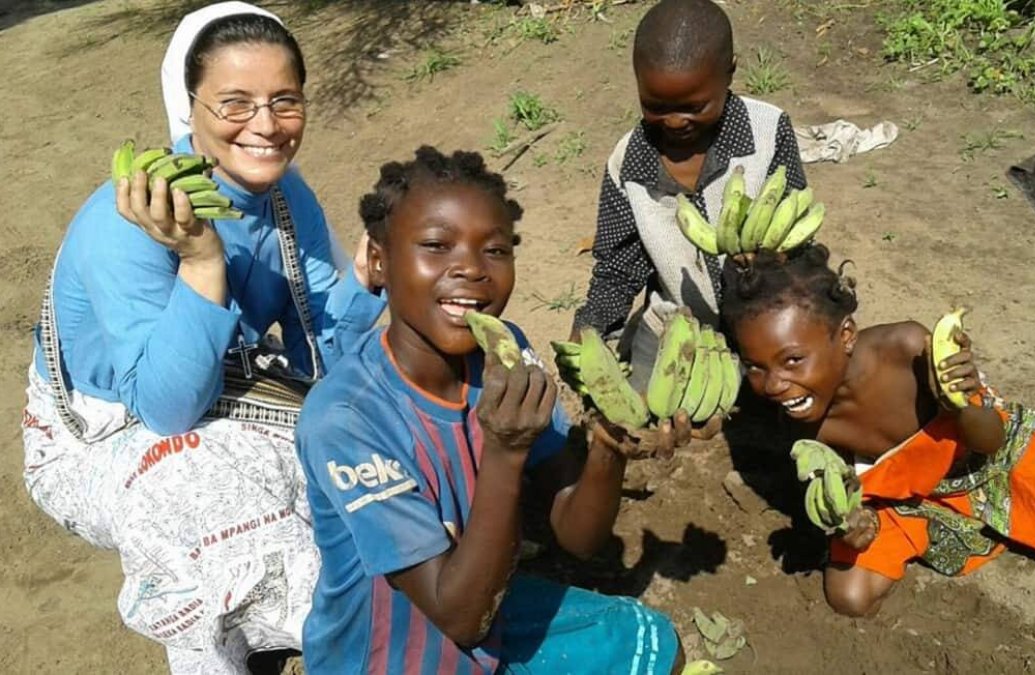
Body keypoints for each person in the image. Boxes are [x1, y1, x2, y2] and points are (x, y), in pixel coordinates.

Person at [20, 3, 386, 673]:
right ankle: (229, 648)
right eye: (235, 103)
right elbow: (168, 409)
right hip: (107, 432)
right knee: (194, 482)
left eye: (285, 101)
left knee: (373, 428)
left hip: (238, 391)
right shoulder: (126, 222)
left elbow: (321, 356)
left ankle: (307, 628)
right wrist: (202, 261)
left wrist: (362, 284)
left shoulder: (283, 198)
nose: (267, 126)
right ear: (188, 108)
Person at [295, 147, 688, 675]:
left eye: (496, 251)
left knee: (655, 647)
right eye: (436, 245)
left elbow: (578, 537)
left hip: (487, 600)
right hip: (394, 653)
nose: (471, 269)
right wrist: (505, 453)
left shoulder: (506, 355)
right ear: (381, 262)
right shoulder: (345, 418)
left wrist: (607, 448)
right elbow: (460, 620)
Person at [716, 245, 1035, 617]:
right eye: (755, 366)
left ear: (847, 334)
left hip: (988, 461)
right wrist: (855, 524)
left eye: (793, 360)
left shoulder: (908, 350)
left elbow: (990, 439)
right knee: (850, 596)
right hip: (909, 500)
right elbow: (851, 493)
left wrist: (960, 399)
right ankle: (964, 528)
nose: (773, 384)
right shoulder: (794, 419)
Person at [572, 0, 807, 391]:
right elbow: (617, 269)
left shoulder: (768, 131)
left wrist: (771, 259)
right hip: (676, 329)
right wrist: (589, 327)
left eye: (694, 106)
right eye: (655, 106)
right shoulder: (628, 163)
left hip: (770, 318)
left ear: (729, 72)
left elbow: (797, 230)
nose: (676, 121)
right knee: (646, 420)